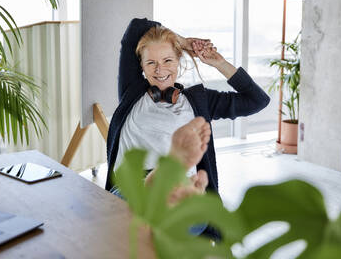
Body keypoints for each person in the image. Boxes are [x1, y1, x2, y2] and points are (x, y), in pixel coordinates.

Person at [106, 18, 270, 236]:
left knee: (174, 216)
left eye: (167, 60)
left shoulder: (199, 102)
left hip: (179, 189)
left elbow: (257, 100)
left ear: (178, 61)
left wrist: (219, 62)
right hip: (131, 188)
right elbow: (136, 27)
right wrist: (183, 42)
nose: (160, 69)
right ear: (142, 67)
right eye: (151, 63)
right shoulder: (131, 93)